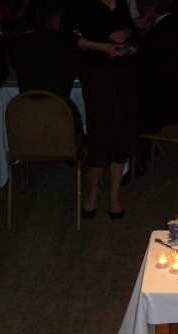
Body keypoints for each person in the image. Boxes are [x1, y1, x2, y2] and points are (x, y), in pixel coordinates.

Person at [65, 0, 138, 220]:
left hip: (122, 72)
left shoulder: (120, 1)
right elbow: (67, 36)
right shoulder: (80, 4)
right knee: (99, 133)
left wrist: (125, 33)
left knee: (120, 132)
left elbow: (129, 26)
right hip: (96, 73)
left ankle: (115, 195)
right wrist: (102, 47)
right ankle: (93, 192)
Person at [134, 0, 178, 134]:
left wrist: (139, 32)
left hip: (162, 107)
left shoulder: (157, 35)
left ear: (150, 9)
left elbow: (142, 68)